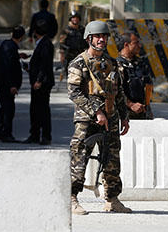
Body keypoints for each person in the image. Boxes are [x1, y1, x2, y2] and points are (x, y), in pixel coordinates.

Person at [67, 20, 131, 215]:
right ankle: (72, 198)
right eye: (97, 37)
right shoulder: (79, 63)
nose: (102, 40)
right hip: (87, 119)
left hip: (110, 118)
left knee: (112, 158)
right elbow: (74, 92)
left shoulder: (112, 63)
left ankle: (112, 199)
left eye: (104, 37)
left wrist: (124, 117)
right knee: (80, 156)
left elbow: (118, 91)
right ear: (89, 39)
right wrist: (96, 111)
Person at [24, 20, 54, 145]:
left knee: (42, 110)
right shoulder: (42, 43)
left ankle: (45, 136)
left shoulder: (45, 44)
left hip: (42, 83)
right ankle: (35, 134)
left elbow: (44, 65)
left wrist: (39, 80)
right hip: (38, 80)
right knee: (35, 109)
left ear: (36, 32)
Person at [0, 26, 24, 142]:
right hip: (7, 84)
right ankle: (6, 133)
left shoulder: (7, 45)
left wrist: (19, 56)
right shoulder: (10, 47)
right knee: (8, 109)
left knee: (4, 108)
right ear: (21, 37)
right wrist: (12, 85)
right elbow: (8, 67)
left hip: (3, 82)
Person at [116, 31, 154, 120]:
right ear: (126, 45)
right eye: (136, 43)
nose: (139, 45)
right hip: (125, 114)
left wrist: (147, 108)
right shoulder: (117, 65)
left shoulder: (140, 63)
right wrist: (131, 105)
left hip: (142, 113)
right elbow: (115, 91)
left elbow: (147, 86)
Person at [58, 11, 88, 77]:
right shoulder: (66, 30)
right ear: (70, 19)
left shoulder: (82, 30)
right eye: (73, 18)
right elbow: (61, 43)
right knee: (70, 74)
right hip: (69, 56)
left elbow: (86, 42)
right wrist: (62, 55)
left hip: (80, 55)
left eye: (77, 18)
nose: (75, 19)